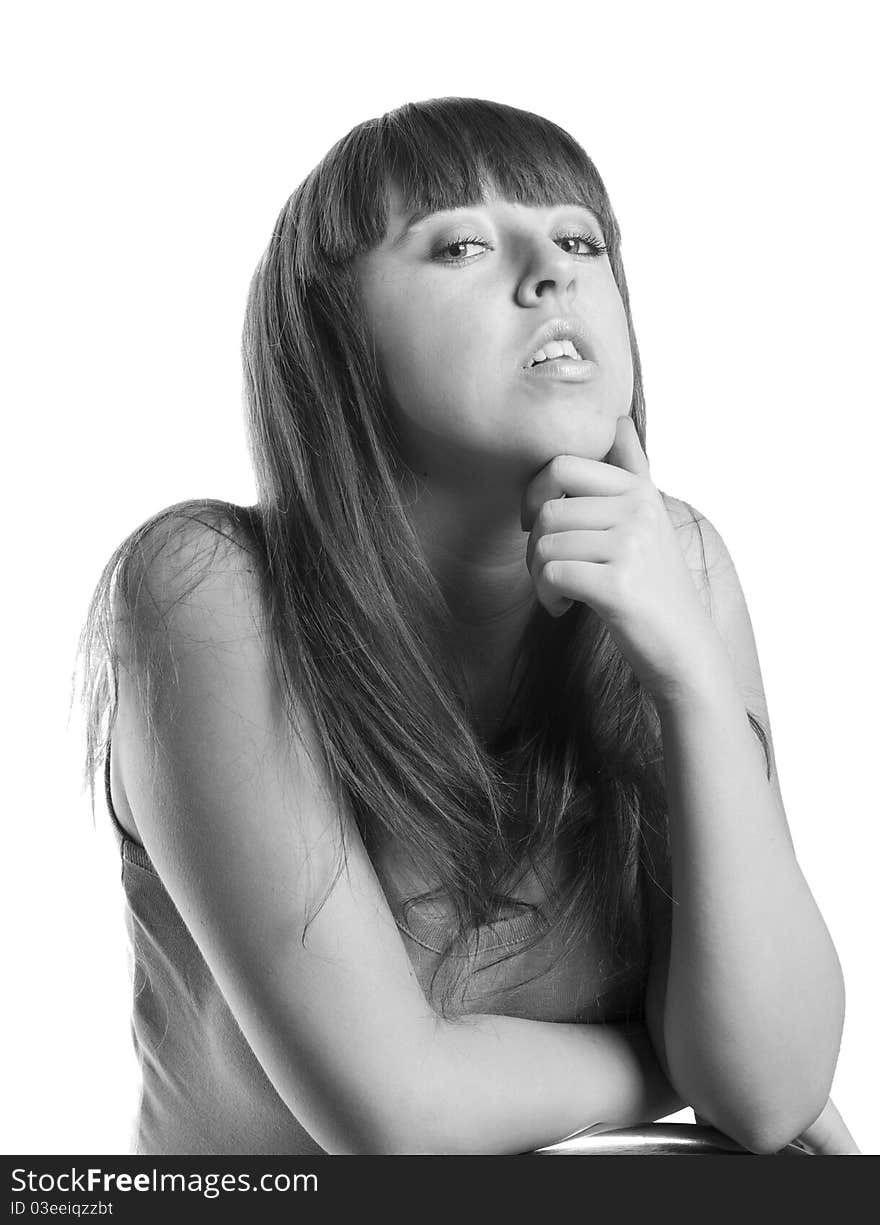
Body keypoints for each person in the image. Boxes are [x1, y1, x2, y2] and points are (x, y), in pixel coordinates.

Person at [78, 97, 856, 1156]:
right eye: (461, 244)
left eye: (582, 240)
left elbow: (767, 1099)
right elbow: (400, 1116)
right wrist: (677, 1061)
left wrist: (694, 688)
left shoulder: (679, 572)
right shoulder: (208, 593)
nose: (553, 273)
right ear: (333, 337)